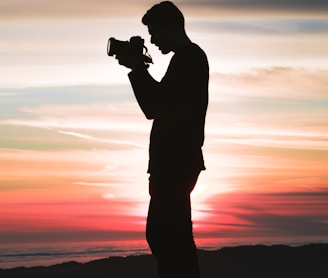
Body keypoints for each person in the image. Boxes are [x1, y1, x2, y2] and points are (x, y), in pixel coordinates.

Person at [114, 1, 209, 277]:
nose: (152, 40)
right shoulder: (187, 59)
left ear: (171, 27)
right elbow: (159, 105)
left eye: (155, 33)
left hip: (175, 162)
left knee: (166, 235)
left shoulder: (188, 58)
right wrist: (138, 70)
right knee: (169, 235)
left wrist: (138, 70)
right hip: (175, 162)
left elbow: (154, 107)